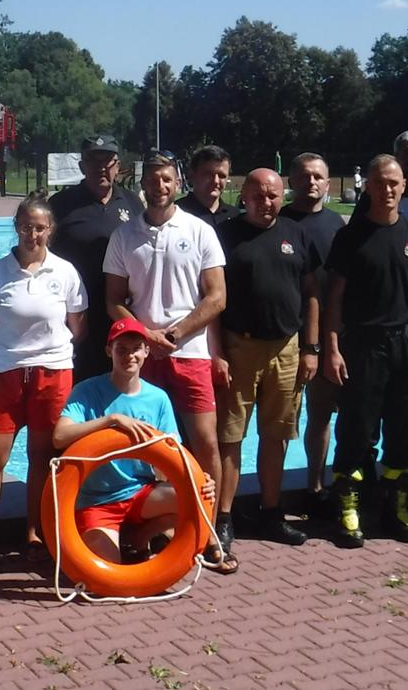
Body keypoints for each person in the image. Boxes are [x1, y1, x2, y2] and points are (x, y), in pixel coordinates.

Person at [103, 152, 231, 570]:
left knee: (205, 443)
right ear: (142, 183)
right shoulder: (124, 236)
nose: (159, 186)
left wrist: (174, 335)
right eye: (152, 179)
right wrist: (145, 337)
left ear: (177, 183)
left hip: (189, 353)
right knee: (144, 447)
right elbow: (112, 300)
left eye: (166, 180)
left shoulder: (199, 230)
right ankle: (156, 529)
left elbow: (216, 297)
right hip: (141, 356)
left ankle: (210, 531)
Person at [321, 154, 408, 548]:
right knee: (356, 430)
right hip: (363, 344)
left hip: (406, 343)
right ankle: (349, 509)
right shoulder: (350, 236)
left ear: (404, 185)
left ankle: (396, 509)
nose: (387, 189)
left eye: (394, 182)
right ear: (367, 186)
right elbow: (333, 298)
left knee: (404, 431)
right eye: (379, 182)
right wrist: (332, 348)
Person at [51, 318, 218, 563]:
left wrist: (201, 481)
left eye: (135, 349)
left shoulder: (158, 398)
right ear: (109, 351)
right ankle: (119, 538)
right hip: (98, 500)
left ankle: (141, 537)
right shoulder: (87, 391)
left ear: (146, 352)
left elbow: (173, 456)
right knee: (107, 577)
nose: (129, 356)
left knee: (198, 497)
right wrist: (111, 420)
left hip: (140, 493)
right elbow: (59, 437)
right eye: (122, 349)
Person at [215, 169, 317, 548]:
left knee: (276, 436)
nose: (267, 202)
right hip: (239, 347)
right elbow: (211, 298)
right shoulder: (225, 235)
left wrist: (311, 348)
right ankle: (223, 517)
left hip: (287, 348)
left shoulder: (295, 233)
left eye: (274, 195)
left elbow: (311, 294)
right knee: (231, 437)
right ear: (244, 195)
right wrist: (217, 353)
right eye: (259, 195)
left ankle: (271, 513)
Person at [0, 194, 87, 560]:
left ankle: (33, 531)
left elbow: (77, 323)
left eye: (40, 228)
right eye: (26, 227)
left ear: (50, 230)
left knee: (41, 456)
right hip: (5, 372)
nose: (33, 235)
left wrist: (56, 353)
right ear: (16, 227)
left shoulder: (65, 272)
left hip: (52, 372)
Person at [279, 152, 347, 517]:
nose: (312, 183)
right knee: (279, 420)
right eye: (305, 176)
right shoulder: (279, 221)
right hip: (287, 334)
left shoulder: (338, 224)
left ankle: (316, 485)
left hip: (327, 336)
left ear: (327, 181)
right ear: (291, 180)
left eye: (319, 176)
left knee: (322, 415)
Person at [49, 135, 144, 381]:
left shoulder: (133, 203)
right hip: (77, 315)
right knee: (78, 386)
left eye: (108, 161)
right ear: (82, 166)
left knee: (120, 383)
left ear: (118, 165)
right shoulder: (60, 205)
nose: (101, 167)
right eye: (93, 161)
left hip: (122, 311)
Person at [175, 144, 240, 228]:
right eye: (209, 174)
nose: (216, 181)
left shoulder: (235, 216)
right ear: (192, 175)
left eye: (221, 176)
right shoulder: (176, 214)